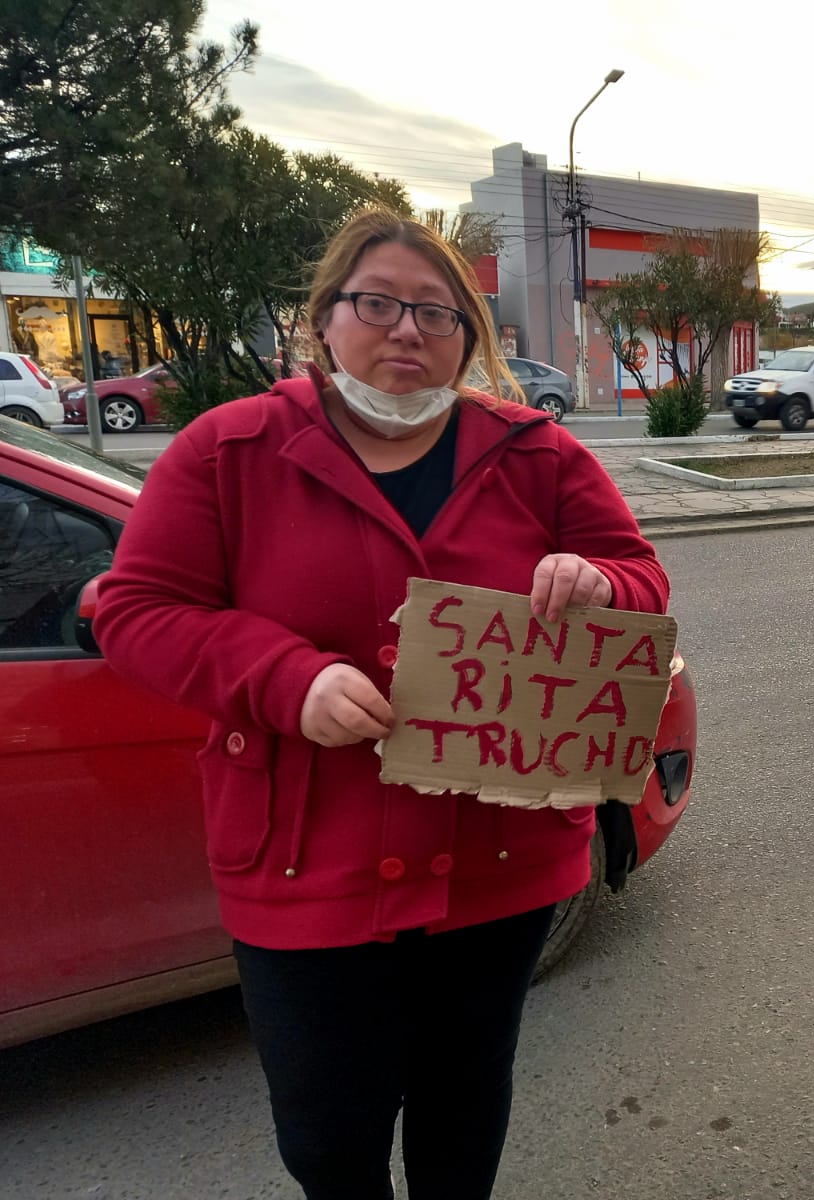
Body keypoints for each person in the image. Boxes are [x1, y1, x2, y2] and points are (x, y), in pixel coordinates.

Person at [95, 208, 668, 1200]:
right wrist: (286, 678)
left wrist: (598, 585)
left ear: (469, 337)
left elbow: (641, 581)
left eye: (438, 314)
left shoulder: (538, 455)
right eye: (379, 304)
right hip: (307, 859)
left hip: (501, 856)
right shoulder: (227, 451)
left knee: (462, 1107)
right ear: (325, 320)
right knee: (326, 1133)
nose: (407, 330)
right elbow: (138, 610)